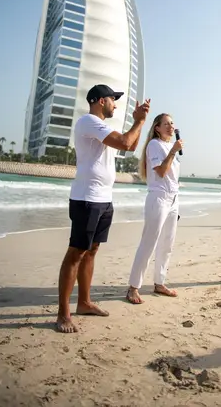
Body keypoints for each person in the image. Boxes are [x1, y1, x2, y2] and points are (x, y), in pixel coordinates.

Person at [56, 84, 150, 333]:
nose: (115, 104)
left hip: (103, 199)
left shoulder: (101, 126)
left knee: (92, 250)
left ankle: (84, 302)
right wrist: (139, 121)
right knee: (76, 253)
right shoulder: (88, 121)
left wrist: (139, 122)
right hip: (86, 198)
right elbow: (124, 141)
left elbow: (129, 145)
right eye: (112, 100)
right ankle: (63, 313)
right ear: (99, 101)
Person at [126, 114, 183, 304]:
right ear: (157, 128)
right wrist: (174, 151)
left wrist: (173, 150)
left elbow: (172, 176)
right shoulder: (154, 145)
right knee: (149, 242)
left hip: (173, 199)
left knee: (167, 244)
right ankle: (133, 287)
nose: (170, 126)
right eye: (166, 124)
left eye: (172, 123)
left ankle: (159, 283)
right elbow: (160, 171)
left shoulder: (169, 146)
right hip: (158, 198)